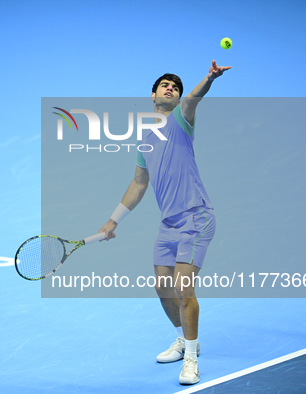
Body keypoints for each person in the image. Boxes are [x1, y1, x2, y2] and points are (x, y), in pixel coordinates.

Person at [98, 60, 231, 385]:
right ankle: (186, 339)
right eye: (164, 85)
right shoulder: (145, 138)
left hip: (196, 218)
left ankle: (190, 359)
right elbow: (139, 183)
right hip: (169, 223)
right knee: (163, 287)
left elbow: (193, 99)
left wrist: (209, 79)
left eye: (175, 86)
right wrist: (113, 221)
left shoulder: (181, 121)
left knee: (185, 289)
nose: (170, 87)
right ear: (153, 95)